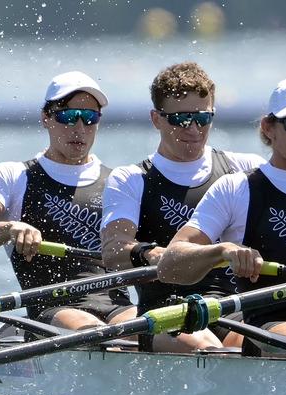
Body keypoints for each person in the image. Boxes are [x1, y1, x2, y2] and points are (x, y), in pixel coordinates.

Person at [157, 76, 286, 355]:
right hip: (265, 317)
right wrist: (222, 250)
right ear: (268, 127)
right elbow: (169, 264)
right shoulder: (236, 188)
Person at [0, 71, 135, 331]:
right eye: (68, 117)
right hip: (53, 310)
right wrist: (9, 229)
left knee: (158, 334)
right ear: (46, 118)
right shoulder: (13, 177)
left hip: (120, 308)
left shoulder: (121, 181)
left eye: (90, 118)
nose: (80, 128)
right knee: (98, 334)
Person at [100, 61, 264, 352]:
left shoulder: (244, 168)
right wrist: (150, 254)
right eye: (181, 119)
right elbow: (113, 252)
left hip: (232, 307)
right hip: (165, 312)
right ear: (156, 119)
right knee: (207, 348)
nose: (194, 129)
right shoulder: (132, 179)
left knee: (274, 344)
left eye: (203, 117)